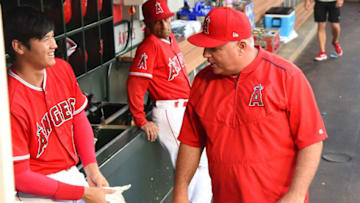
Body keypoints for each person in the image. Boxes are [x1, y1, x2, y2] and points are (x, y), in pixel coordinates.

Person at [173, 7, 328, 203]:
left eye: (215, 49)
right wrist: (180, 192)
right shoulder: (202, 82)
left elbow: (312, 141)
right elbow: (191, 141)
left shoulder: (287, 77)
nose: (205, 55)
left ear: (242, 46)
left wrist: (296, 195)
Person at [4, 6, 114, 203]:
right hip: (36, 190)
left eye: (52, 37)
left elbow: (78, 119)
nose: (54, 45)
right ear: (19, 47)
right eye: (45, 39)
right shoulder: (9, 100)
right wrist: (84, 193)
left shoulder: (61, 69)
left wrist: (92, 170)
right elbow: (20, 177)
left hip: (72, 174)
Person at [126, 0, 212, 202]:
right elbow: (135, 85)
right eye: (158, 22)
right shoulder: (148, 47)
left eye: (166, 19)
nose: (164, 26)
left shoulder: (170, 38)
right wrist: (141, 119)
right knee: (187, 166)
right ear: (147, 23)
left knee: (203, 162)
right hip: (169, 110)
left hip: (183, 107)